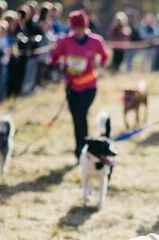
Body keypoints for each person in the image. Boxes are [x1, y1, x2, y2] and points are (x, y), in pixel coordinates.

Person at [50, 10, 108, 160]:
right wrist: (60, 65)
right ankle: (79, 149)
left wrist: (98, 63)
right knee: (75, 118)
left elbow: (105, 56)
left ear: (85, 26)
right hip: (71, 86)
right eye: (75, 28)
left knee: (81, 114)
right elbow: (55, 56)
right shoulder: (65, 41)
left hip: (89, 85)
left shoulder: (96, 41)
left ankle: (86, 148)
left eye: (80, 28)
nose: (78, 31)